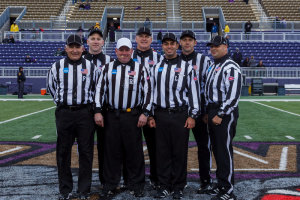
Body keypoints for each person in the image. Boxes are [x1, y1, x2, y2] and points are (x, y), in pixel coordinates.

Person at [94, 37, 152, 198]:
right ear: (116, 51)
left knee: (134, 152)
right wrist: (98, 111)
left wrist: (145, 113)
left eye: (127, 50)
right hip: (112, 114)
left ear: (131, 51)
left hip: (132, 115)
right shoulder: (107, 68)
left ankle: (136, 184)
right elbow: (99, 91)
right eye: (122, 50)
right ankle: (111, 184)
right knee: (111, 151)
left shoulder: (141, 68)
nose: (125, 53)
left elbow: (148, 92)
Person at [149, 33, 200, 199]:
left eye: (172, 43)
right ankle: (163, 185)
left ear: (177, 46)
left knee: (179, 152)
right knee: (162, 152)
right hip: (161, 114)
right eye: (166, 44)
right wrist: (150, 115)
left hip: (180, 114)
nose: (169, 46)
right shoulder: (156, 67)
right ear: (162, 46)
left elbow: (194, 92)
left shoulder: (186, 67)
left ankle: (178, 185)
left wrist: (192, 115)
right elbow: (150, 92)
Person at [47, 34, 97, 200]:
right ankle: (65, 190)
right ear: (66, 48)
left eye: (78, 47)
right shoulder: (57, 66)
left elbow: (96, 89)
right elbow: (51, 88)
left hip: (85, 113)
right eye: (72, 47)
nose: (75, 50)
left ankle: (84, 190)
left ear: (83, 48)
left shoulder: (91, 66)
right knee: (63, 152)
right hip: (65, 113)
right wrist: (63, 104)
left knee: (86, 151)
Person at [205, 35, 241, 200]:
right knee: (217, 150)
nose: (213, 48)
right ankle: (221, 185)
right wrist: (208, 112)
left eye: (217, 46)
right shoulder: (213, 66)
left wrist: (220, 113)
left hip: (223, 113)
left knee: (224, 151)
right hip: (213, 111)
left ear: (225, 47)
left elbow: (233, 96)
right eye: (212, 46)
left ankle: (227, 190)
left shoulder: (231, 66)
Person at [179, 30, 213, 195]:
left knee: (203, 147)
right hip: (180, 111)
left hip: (199, 110)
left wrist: (205, 110)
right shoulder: (174, 60)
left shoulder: (204, 60)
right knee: (179, 148)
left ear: (195, 42)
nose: (187, 43)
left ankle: (206, 180)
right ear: (180, 42)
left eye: (189, 40)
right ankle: (180, 180)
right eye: (184, 40)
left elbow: (208, 86)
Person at [131, 26, 162, 189]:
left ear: (151, 39)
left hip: (153, 112)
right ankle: (136, 179)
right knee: (133, 147)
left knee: (154, 146)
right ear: (136, 38)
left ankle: (156, 178)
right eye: (141, 36)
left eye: (147, 36)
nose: (144, 39)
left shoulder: (159, 58)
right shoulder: (128, 55)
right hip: (133, 109)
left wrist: (150, 112)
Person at [83, 28, 114, 187]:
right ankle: (85, 184)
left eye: (98, 39)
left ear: (103, 42)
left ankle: (105, 181)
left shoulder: (110, 60)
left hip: (105, 110)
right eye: (92, 38)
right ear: (87, 41)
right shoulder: (80, 59)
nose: (95, 41)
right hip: (86, 110)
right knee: (86, 148)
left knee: (105, 147)